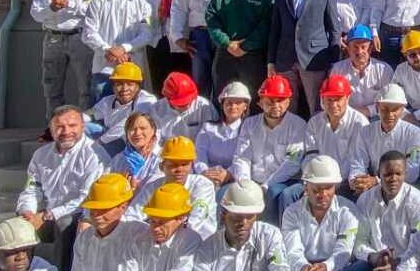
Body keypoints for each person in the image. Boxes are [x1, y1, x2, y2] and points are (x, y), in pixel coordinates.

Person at [19, 106, 110, 271]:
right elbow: (31, 188)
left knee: (64, 224)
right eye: (59, 127)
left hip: (79, 214)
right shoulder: (41, 154)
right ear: (51, 130)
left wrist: (48, 215)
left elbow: (87, 197)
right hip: (45, 214)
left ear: (83, 126)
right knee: (6, 224)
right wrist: (28, 212)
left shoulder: (94, 154)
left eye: (72, 125)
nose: (66, 131)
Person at [267, 0, 339, 116]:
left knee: (316, 106)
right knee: (286, 106)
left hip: (314, 59)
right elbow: (274, 31)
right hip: (285, 59)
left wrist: (334, 63)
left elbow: (334, 30)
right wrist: (271, 62)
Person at [32, 0, 98, 116]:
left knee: (86, 84)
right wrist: (52, 8)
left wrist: (67, 4)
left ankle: (85, 126)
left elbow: (91, 9)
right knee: (52, 85)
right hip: (53, 38)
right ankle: (53, 127)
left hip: (79, 36)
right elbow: (36, 14)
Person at [230, 74, 308, 220]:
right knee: (227, 194)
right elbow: (242, 157)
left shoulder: (298, 125)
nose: (276, 105)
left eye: (280, 100)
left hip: (283, 181)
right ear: (260, 102)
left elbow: (292, 163)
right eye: (270, 101)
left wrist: (265, 186)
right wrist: (245, 183)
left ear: (288, 102)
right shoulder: (249, 124)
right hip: (253, 181)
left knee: (273, 193)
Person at [207, 0, 276, 100]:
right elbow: (212, 18)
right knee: (224, 98)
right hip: (226, 54)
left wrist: (246, 45)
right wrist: (227, 42)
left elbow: (268, 22)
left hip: (254, 55)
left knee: (254, 99)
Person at [82, 0, 156, 95]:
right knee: (101, 111)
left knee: (132, 114)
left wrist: (124, 48)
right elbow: (88, 32)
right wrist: (108, 49)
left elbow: (146, 34)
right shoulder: (98, 2)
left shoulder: (144, 5)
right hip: (104, 70)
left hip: (133, 70)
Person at [126, 136, 218, 242]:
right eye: (173, 165)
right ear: (162, 166)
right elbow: (131, 216)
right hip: (158, 241)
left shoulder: (202, 184)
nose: (179, 170)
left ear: (191, 165)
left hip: (196, 245)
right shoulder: (153, 186)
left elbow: (197, 219)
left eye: (184, 164)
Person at [345, 83, 420, 195]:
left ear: (402, 110)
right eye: (385, 109)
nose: (389, 114)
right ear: (377, 108)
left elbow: (412, 172)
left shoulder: (414, 133)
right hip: (371, 189)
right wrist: (357, 180)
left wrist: (377, 181)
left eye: (395, 109)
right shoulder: (365, 131)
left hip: (403, 190)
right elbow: (358, 162)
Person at [143, 0, 191, 93]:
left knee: (183, 83)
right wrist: (157, 17)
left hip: (183, 44)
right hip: (158, 43)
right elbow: (145, 22)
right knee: (161, 84)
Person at [86, 61, 156, 154]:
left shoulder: (147, 100)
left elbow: (128, 124)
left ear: (138, 86)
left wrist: (99, 143)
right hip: (110, 140)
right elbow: (91, 114)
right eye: (119, 84)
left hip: (134, 145)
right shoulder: (108, 100)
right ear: (113, 86)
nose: (124, 89)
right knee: (84, 126)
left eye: (130, 84)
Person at [330, 24, 394, 118]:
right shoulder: (337, 69)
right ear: (348, 48)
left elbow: (390, 99)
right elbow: (329, 99)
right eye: (355, 47)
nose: (359, 52)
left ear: (371, 48)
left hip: (378, 116)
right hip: (346, 117)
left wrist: (367, 111)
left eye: (363, 47)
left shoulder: (384, 70)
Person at [194, 82, 251, 188]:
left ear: (245, 106)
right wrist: (204, 172)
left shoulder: (249, 130)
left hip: (234, 180)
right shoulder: (208, 127)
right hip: (205, 179)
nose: (233, 106)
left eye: (238, 103)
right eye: (229, 102)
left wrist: (228, 174)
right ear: (222, 104)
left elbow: (244, 158)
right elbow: (199, 154)